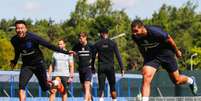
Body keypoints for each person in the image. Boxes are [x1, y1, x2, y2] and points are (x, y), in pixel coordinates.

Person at [131, 19, 198, 101]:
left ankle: (191, 80)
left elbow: (170, 40)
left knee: (177, 80)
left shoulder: (155, 32)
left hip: (166, 54)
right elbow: (141, 47)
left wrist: (176, 52)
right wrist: (146, 60)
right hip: (152, 57)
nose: (134, 33)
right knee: (146, 76)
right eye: (132, 31)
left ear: (142, 27)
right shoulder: (135, 36)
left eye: (136, 31)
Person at [10, 20, 73, 101]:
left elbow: (49, 46)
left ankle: (57, 84)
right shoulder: (14, 40)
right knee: (21, 87)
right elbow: (17, 51)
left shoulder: (33, 38)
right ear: (15, 29)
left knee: (45, 87)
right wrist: (14, 61)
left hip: (38, 64)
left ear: (26, 29)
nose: (20, 30)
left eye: (22, 28)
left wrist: (66, 52)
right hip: (27, 66)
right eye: (18, 28)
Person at [91, 28, 124, 101]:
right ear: (107, 33)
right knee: (112, 87)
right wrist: (122, 68)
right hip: (110, 67)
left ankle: (101, 99)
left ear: (101, 34)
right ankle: (114, 100)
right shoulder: (113, 43)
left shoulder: (97, 44)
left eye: (100, 34)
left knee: (101, 87)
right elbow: (118, 56)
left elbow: (93, 57)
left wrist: (92, 67)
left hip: (101, 67)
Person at [72, 32, 94, 101]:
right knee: (84, 88)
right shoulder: (77, 45)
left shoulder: (90, 45)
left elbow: (97, 54)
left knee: (86, 85)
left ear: (85, 37)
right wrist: (75, 56)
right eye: (79, 38)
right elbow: (73, 53)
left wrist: (92, 60)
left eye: (81, 38)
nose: (80, 40)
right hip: (81, 69)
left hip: (88, 68)